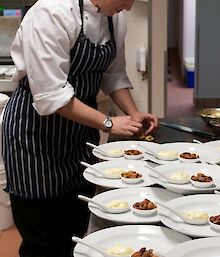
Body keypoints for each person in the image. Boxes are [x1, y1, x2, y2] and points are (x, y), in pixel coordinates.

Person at [2, 0, 158, 257]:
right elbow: (51, 96)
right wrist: (108, 123)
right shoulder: (51, 12)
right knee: (43, 238)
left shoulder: (114, 17)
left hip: (78, 134)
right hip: (34, 137)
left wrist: (133, 113)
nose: (129, 8)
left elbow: (113, 74)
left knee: (77, 228)